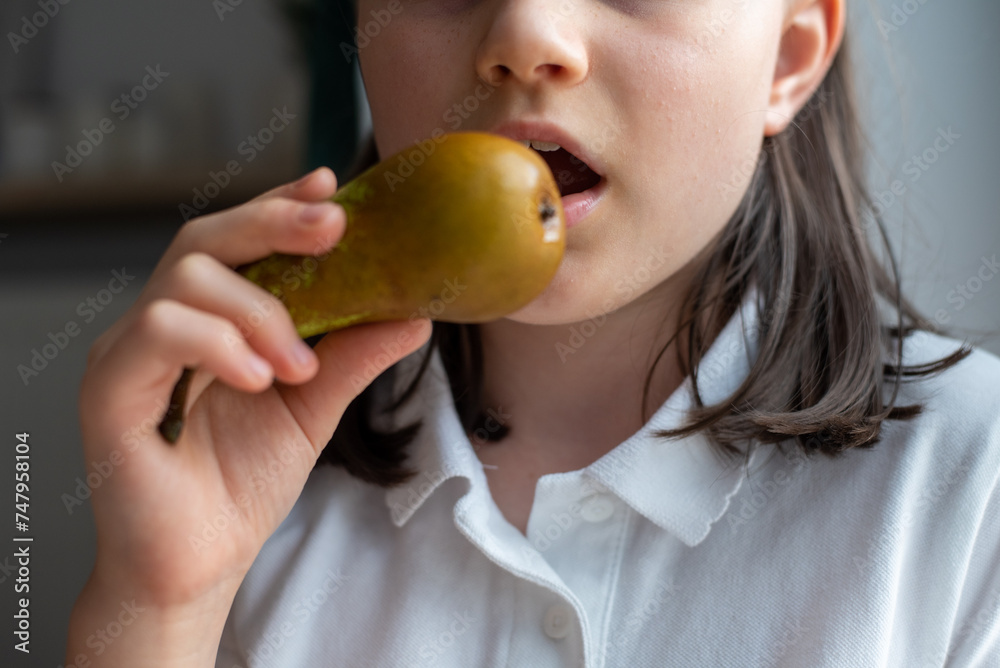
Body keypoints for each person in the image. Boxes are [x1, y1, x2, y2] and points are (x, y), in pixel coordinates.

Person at [66, 0, 1000, 665]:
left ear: (789, 57)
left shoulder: (974, 495)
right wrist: (157, 613)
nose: (525, 31)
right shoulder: (237, 488)